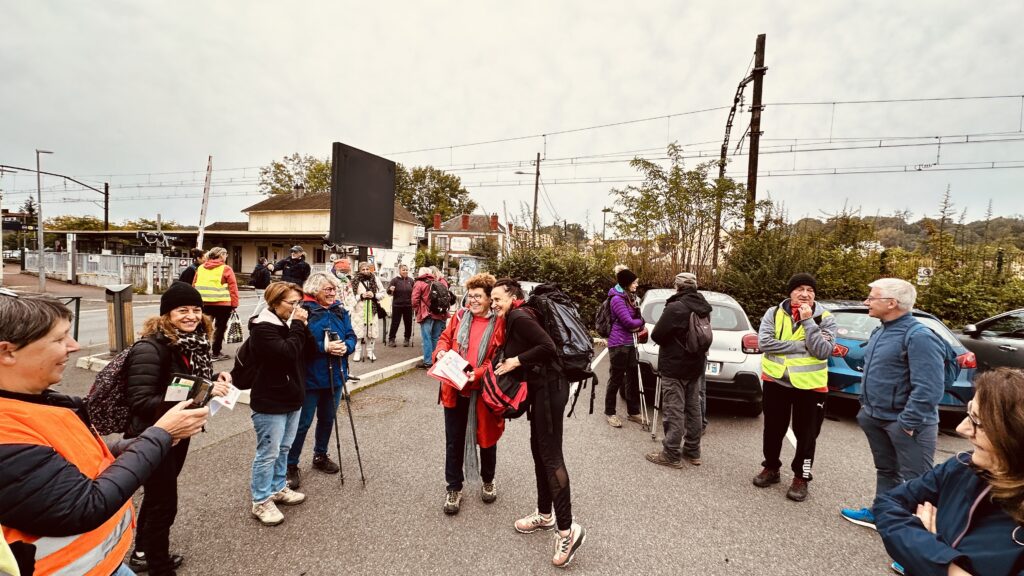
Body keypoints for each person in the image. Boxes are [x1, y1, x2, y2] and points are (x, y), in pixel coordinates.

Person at [0, 291, 208, 576]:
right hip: (68, 569)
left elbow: (78, 460)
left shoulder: (42, 402)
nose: (74, 346)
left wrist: (146, 441)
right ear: (7, 351)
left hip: (102, 563)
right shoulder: (7, 426)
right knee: (160, 502)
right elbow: (84, 504)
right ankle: (151, 558)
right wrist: (159, 435)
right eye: (59, 339)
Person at [124, 281, 233, 574]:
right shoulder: (150, 348)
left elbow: (190, 384)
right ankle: (159, 566)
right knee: (163, 504)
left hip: (179, 432)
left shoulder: (194, 344)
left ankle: (143, 551)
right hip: (152, 435)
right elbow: (141, 401)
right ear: (166, 314)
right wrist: (204, 395)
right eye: (182, 310)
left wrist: (215, 382)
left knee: (158, 498)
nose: (191, 316)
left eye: (196, 310)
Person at [875, 368, 1024, 576]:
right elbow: (887, 504)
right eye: (969, 413)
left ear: (1015, 435)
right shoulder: (961, 468)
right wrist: (944, 563)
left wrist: (924, 549)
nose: (961, 429)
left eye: (977, 421)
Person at [491, 278, 586, 568]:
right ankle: (545, 515)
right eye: (492, 299)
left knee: (551, 456)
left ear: (513, 296)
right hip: (542, 389)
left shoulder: (519, 316)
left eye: (498, 298)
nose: (494, 303)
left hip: (550, 390)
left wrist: (515, 361)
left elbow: (547, 347)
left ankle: (568, 530)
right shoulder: (517, 315)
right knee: (538, 450)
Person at [841, 278, 947, 528]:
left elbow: (930, 388)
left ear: (891, 303)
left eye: (872, 297)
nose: (867, 301)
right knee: (887, 471)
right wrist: (865, 408)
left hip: (907, 424)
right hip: (876, 416)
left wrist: (907, 422)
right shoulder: (881, 330)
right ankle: (882, 513)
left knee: (919, 482)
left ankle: (919, 543)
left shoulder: (920, 336)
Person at [752, 273, 836, 502]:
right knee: (773, 429)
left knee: (806, 435)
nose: (805, 294)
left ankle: (802, 477)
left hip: (811, 386)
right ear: (790, 292)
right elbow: (764, 343)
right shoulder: (774, 313)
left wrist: (809, 323)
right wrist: (802, 345)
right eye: (800, 288)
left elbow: (822, 351)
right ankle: (771, 468)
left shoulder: (825, 318)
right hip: (776, 380)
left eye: (810, 289)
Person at [432, 273, 506, 515]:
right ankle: (453, 487)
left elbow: (497, 359)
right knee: (453, 441)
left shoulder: (498, 324)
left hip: (483, 392)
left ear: (489, 299)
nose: (472, 301)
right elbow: (444, 339)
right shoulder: (460, 316)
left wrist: (480, 373)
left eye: (478, 296)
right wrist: (441, 352)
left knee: (487, 438)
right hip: (454, 389)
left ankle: (488, 479)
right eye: (470, 296)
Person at [248, 282, 313, 526]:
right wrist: (297, 324)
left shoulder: (289, 325)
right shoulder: (262, 328)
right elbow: (288, 353)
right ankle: (261, 500)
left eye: (299, 303)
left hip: (292, 396)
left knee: (284, 447)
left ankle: (277, 488)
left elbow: (308, 349)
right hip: (270, 400)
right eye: (292, 303)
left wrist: (302, 326)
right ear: (275, 303)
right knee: (268, 452)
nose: (297, 308)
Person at [287, 273, 357, 489]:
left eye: (334, 289)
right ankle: (290, 464)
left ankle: (320, 455)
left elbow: (352, 335)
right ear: (315, 290)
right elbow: (296, 342)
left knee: (328, 418)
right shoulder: (303, 311)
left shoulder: (340, 310)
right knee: (302, 423)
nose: (332, 292)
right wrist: (322, 347)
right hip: (310, 377)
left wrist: (347, 346)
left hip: (336, 375)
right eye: (327, 289)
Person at [646, 272, 712, 468]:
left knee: (674, 410)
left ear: (678, 286)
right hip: (695, 365)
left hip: (675, 365)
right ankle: (693, 451)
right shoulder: (704, 306)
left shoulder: (676, 307)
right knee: (693, 408)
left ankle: (671, 453)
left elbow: (657, 334)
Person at [605, 267, 645, 428]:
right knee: (616, 378)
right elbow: (629, 322)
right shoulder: (617, 299)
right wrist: (640, 323)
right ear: (627, 283)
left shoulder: (630, 297)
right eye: (634, 282)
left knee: (633, 378)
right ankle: (610, 413)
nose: (636, 285)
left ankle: (633, 412)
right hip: (618, 344)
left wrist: (638, 322)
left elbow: (637, 317)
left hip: (630, 342)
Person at [191, 246, 239, 361]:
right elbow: (233, 288)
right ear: (221, 255)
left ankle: (202, 351)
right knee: (220, 329)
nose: (226, 257)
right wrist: (234, 304)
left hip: (204, 303)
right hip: (222, 305)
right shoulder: (226, 269)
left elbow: (194, 285)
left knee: (203, 328)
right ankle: (216, 353)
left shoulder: (201, 268)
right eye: (226, 254)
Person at [413, 266, 450, 369]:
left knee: (426, 338)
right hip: (439, 313)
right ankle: (435, 360)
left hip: (427, 314)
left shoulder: (419, 283)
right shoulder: (437, 282)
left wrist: (417, 311)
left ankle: (428, 361)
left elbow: (414, 300)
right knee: (435, 337)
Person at [352, 262, 385, 362]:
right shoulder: (354, 280)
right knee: (358, 331)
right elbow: (349, 297)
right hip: (358, 309)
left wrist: (374, 295)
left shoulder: (375, 279)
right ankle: (357, 352)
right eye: (363, 269)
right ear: (359, 270)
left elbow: (383, 293)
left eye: (367, 269)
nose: (366, 271)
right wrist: (361, 296)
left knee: (372, 331)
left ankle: (370, 351)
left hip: (372, 309)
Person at [387, 264, 416, 348]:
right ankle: (391, 339)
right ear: (399, 271)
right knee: (395, 323)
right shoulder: (394, 280)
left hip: (408, 305)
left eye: (407, 270)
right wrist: (390, 289)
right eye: (403, 270)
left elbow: (414, 292)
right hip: (397, 305)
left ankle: (407, 339)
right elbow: (388, 292)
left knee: (408, 323)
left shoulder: (411, 280)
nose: (405, 271)